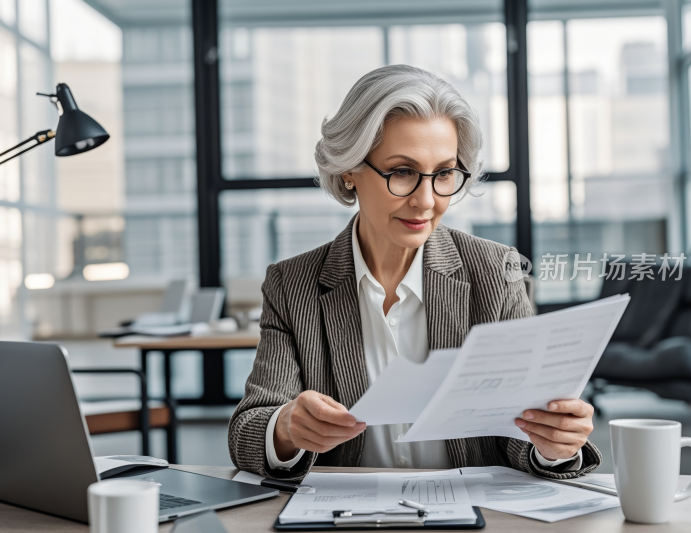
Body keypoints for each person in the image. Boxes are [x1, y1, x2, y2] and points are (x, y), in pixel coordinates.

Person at [228, 65, 599, 481]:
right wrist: (285, 428)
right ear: (350, 169)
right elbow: (247, 429)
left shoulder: (496, 272)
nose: (426, 201)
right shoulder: (292, 285)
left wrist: (549, 444)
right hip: (346, 519)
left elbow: (519, 428)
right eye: (402, 172)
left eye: (443, 174)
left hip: (473, 517)